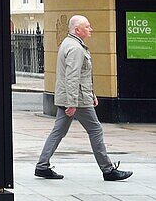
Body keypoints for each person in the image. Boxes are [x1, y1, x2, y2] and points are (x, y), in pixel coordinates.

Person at [35, 15, 132, 182]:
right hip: (77, 99)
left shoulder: (68, 43)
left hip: (71, 96)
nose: (91, 29)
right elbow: (73, 77)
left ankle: (42, 166)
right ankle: (108, 170)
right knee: (95, 130)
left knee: (58, 131)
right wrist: (73, 103)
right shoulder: (76, 49)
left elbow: (79, 76)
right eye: (87, 27)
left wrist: (91, 94)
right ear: (77, 30)